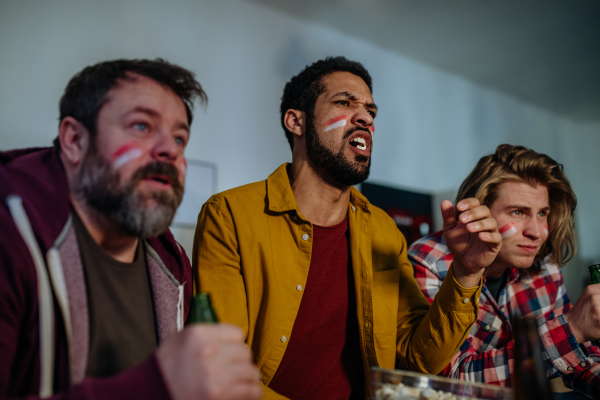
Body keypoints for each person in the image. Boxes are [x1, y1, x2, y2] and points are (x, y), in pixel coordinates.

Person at [193, 56, 502, 400]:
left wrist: (466, 272)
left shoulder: (384, 231)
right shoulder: (230, 216)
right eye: (344, 102)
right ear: (296, 122)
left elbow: (421, 357)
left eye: (371, 110)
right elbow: (220, 368)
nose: (366, 118)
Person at [0, 59, 262, 400]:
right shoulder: (10, 234)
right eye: (141, 126)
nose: (169, 149)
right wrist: (157, 387)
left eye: (180, 138)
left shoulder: (173, 263)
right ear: (74, 139)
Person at [408, 144, 600, 399]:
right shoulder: (429, 260)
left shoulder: (543, 264)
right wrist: (572, 329)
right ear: (477, 213)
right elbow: (450, 381)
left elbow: (580, 360)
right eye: (519, 212)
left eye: (542, 213)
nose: (537, 232)